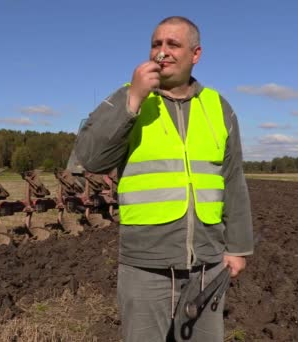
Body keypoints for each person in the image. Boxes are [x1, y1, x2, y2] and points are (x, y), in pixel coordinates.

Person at [74, 16, 254, 341]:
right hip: (145, 267)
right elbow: (91, 157)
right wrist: (132, 101)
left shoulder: (219, 108)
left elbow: (233, 180)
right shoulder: (129, 98)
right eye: (157, 44)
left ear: (195, 54)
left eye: (173, 44)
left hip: (207, 267)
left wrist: (238, 247)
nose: (163, 52)